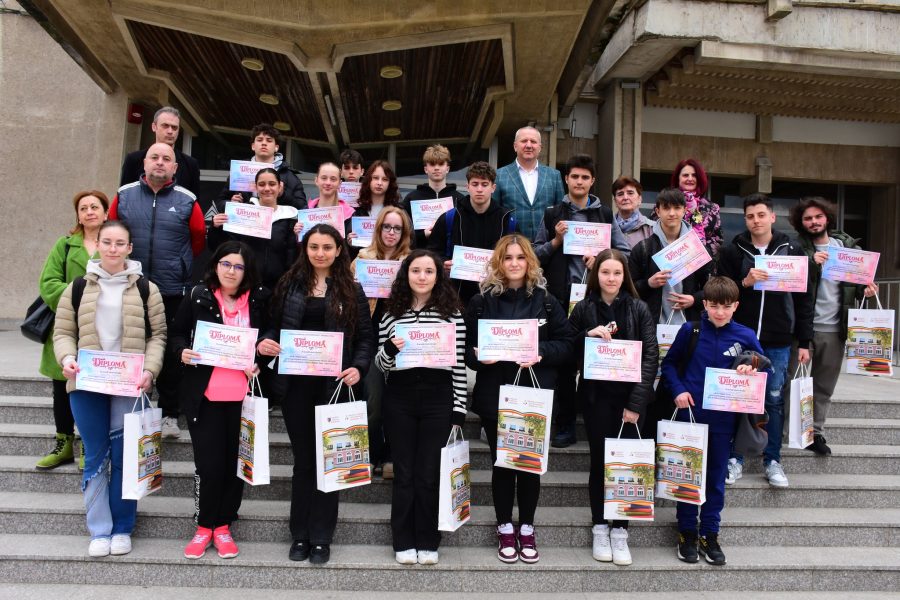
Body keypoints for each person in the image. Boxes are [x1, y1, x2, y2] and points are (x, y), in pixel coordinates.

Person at [257, 224, 374, 566]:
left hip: (334, 387)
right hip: (295, 386)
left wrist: (359, 367)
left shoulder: (352, 289)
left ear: (339, 250)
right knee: (304, 461)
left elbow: (366, 338)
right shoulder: (289, 284)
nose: (320, 253)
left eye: (326, 247)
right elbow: (272, 326)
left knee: (330, 462)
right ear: (305, 249)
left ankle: (321, 536)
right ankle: (300, 534)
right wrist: (265, 342)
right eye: (314, 247)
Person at [53, 220, 167, 557]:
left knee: (125, 457)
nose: (113, 248)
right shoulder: (77, 287)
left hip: (128, 384)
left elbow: (158, 336)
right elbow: (63, 332)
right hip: (86, 382)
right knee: (95, 456)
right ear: (98, 245)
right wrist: (67, 358)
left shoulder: (146, 288)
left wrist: (150, 370)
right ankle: (99, 529)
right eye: (107, 242)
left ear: (129, 248)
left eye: (120, 243)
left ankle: (122, 527)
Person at [464, 235, 574, 564]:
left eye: (520, 257)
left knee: (528, 466)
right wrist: (478, 357)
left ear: (530, 262)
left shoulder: (546, 301)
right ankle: (503, 526)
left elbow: (568, 343)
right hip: (495, 395)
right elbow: (465, 348)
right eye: (507, 257)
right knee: (502, 464)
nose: (514, 263)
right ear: (498, 262)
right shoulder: (481, 302)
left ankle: (526, 526)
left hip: (532, 396)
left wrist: (540, 352)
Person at [660, 276, 767, 566]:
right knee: (687, 475)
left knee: (716, 479)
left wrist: (751, 368)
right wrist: (678, 390)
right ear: (704, 304)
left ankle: (709, 532)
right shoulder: (690, 330)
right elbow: (669, 365)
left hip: (723, 421)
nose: (720, 312)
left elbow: (763, 366)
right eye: (714, 306)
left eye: (726, 306)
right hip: (691, 417)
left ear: (736, 306)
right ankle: (686, 532)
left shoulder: (745, 334)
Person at [172, 241, 267, 560]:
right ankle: (204, 526)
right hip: (205, 396)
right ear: (215, 265)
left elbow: (268, 338)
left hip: (243, 397)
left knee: (235, 466)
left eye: (238, 266)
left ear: (246, 271)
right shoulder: (198, 295)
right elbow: (177, 333)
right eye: (226, 264)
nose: (231, 271)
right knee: (209, 465)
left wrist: (260, 360)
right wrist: (181, 351)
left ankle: (223, 525)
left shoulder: (258, 299)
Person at [374, 249, 467, 566]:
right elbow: (381, 365)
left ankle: (428, 539)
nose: (422, 277)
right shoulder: (391, 313)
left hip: (438, 398)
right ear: (406, 274)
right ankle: (402, 540)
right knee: (404, 473)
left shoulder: (452, 315)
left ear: (438, 276)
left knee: (428, 473)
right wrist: (388, 350)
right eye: (416, 270)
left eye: (429, 271)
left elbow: (458, 367)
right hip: (399, 397)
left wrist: (459, 408)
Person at [532, 154, 630, 448]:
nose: (579, 181)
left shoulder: (605, 214)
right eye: (574, 176)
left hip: (596, 300)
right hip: (560, 300)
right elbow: (534, 256)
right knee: (564, 363)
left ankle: (594, 420)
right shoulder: (553, 214)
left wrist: (602, 261)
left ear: (592, 181)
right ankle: (565, 424)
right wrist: (556, 241)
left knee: (596, 359)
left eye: (585, 177)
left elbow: (624, 253)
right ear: (566, 179)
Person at [110, 142, 206, 439]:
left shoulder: (187, 199)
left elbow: (198, 238)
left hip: (171, 290)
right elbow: (111, 232)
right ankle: (130, 409)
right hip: (130, 287)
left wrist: (178, 265)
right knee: (130, 347)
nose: (160, 162)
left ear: (175, 168)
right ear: (145, 163)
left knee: (168, 354)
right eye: (155, 157)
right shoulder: (124, 195)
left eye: (167, 158)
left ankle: (168, 415)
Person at [568, 248, 658, 566]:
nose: (611, 278)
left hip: (630, 402)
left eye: (617, 273)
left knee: (626, 466)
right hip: (597, 400)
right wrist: (586, 336)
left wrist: (635, 403)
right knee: (600, 464)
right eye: (605, 272)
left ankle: (620, 531)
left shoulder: (639, 308)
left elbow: (650, 357)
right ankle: (600, 527)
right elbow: (566, 347)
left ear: (625, 276)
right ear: (597, 275)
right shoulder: (583, 308)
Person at [717, 194, 813, 487]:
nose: (755, 221)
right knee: (738, 397)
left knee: (773, 399)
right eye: (750, 216)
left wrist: (805, 341)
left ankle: (772, 460)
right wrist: (744, 283)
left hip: (778, 337)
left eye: (761, 215)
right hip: (741, 336)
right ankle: (735, 458)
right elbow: (721, 290)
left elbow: (804, 300)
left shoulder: (792, 249)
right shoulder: (733, 250)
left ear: (772, 217)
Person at [789, 196, 878, 455]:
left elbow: (856, 287)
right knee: (792, 384)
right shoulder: (795, 247)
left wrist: (866, 290)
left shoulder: (847, 248)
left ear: (827, 218)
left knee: (824, 386)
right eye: (808, 218)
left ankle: (815, 433)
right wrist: (811, 264)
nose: (814, 222)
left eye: (818, 216)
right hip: (801, 330)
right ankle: (786, 431)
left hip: (835, 329)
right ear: (801, 222)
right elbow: (788, 279)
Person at [629, 188, 712, 437]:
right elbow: (629, 289)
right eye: (666, 208)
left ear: (684, 211)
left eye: (677, 208)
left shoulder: (696, 247)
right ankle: (648, 441)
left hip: (687, 328)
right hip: (652, 327)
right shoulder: (644, 248)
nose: (672, 213)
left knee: (680, 386)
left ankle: (675, 441)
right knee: (651, 388)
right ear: (658, 211)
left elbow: (712, 288)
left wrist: (694, 299)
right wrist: (649, 283)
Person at [36, 190, 109, 470]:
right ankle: (63, 444)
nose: (89, 212)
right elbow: (48, 282)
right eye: (83, 208)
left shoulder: (114, 242)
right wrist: (78, 300)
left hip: (102, 327)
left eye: (95, 207)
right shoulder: (65, 245)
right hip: (66, 324)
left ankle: (89, 445)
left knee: (92, 386)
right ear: (78, 215)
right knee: (61, 386)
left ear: (105, 212)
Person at [351, 206, 413, 479]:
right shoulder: (362, 258)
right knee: (374, 401)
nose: (391, 232)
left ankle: (391, 455)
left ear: (404, 232)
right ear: (378, 229)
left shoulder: (411, 261)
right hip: (370, 336)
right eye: (387, 227)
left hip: (402, 339)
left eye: (397, 228)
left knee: (398, 402)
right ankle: (373, 452)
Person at [427, 161, 516, 304]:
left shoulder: (507, 220)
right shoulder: (449, 218)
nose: (479, 189)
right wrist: (442, 263)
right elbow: (432, 253)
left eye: (484, 184)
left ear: (493, 188)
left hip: (496, 298)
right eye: (475, 184)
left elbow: (518, 257)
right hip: (456, 297)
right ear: (467, 187)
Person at [209, 168, 297, 291]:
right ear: (255, 187)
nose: (267, 188)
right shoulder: (242, 212)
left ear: (280, 187)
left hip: (277, 287)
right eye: (262, 184)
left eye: (272, 184)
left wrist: (287, 283)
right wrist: (216, 228)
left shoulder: (289, 216)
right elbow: (222, 248)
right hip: (245, 285)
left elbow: (291, 255)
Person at [493, 126, 565, 241]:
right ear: (515, 146)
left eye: (533, 141)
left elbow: (561, 213)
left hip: (547, 246)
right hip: (512, 245)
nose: (529, 145)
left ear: (540, 147)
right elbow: (494, 213)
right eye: (524, 141)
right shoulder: (499, 175)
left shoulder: (554, 176)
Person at [217, 123, 307, 210]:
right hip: (245, 220)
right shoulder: (239, 171)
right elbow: (220, 202)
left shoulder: (289, 176)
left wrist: (283, 195)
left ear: (276, 147)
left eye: (269, 140)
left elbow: (302, 208)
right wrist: (231, 203)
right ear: (253, 146)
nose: (264, 143)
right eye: (259, 140)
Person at [120, 107, 200, 196]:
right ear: (154, 127)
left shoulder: (190, 164)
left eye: (174, 127)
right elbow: (124, 197)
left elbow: (194, 200)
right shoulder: (134, 160)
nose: (170, 131)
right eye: (165, 126)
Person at [402, 144, 466, 248]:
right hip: (419, 254)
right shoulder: (412, 198)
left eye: (441, 164)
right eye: (432, 164)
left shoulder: (460, 200)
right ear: (426, 169)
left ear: (447, 168)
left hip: (449, 255)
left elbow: (464, 233)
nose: (436, 168)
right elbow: (403, 232)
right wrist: (422, 235)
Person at [670, 159, 723, 257]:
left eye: (694, 175)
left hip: (703, 261)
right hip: (670, 260)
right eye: (685, 175)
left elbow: (717, 239)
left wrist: (701, 254)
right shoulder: (665, 204)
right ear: (678, 178)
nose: (690, 178)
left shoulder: (712, 208)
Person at [294, 163, 355, 241]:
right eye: (324, 178)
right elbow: (302, 245)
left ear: (339, 184)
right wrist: (298, 235)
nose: (328, 183)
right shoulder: (305, 211)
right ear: (316, 181)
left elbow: (349, 246)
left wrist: (351, 242)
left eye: (333, 179)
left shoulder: (349, 214)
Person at [350, 160, 402, 239]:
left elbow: (409, 239)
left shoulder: (399, 212)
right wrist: (350, 241)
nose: (379, 183)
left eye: (385, 179)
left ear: (390, 183)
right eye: (375, 178)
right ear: (369, 180)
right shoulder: (357, 211)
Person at [612, 176, 654, 248]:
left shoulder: (653, 228)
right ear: (615, 201)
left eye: (630, 193)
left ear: (639, 199)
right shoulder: (607, 228)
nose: (625, 197)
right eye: (620, 194)